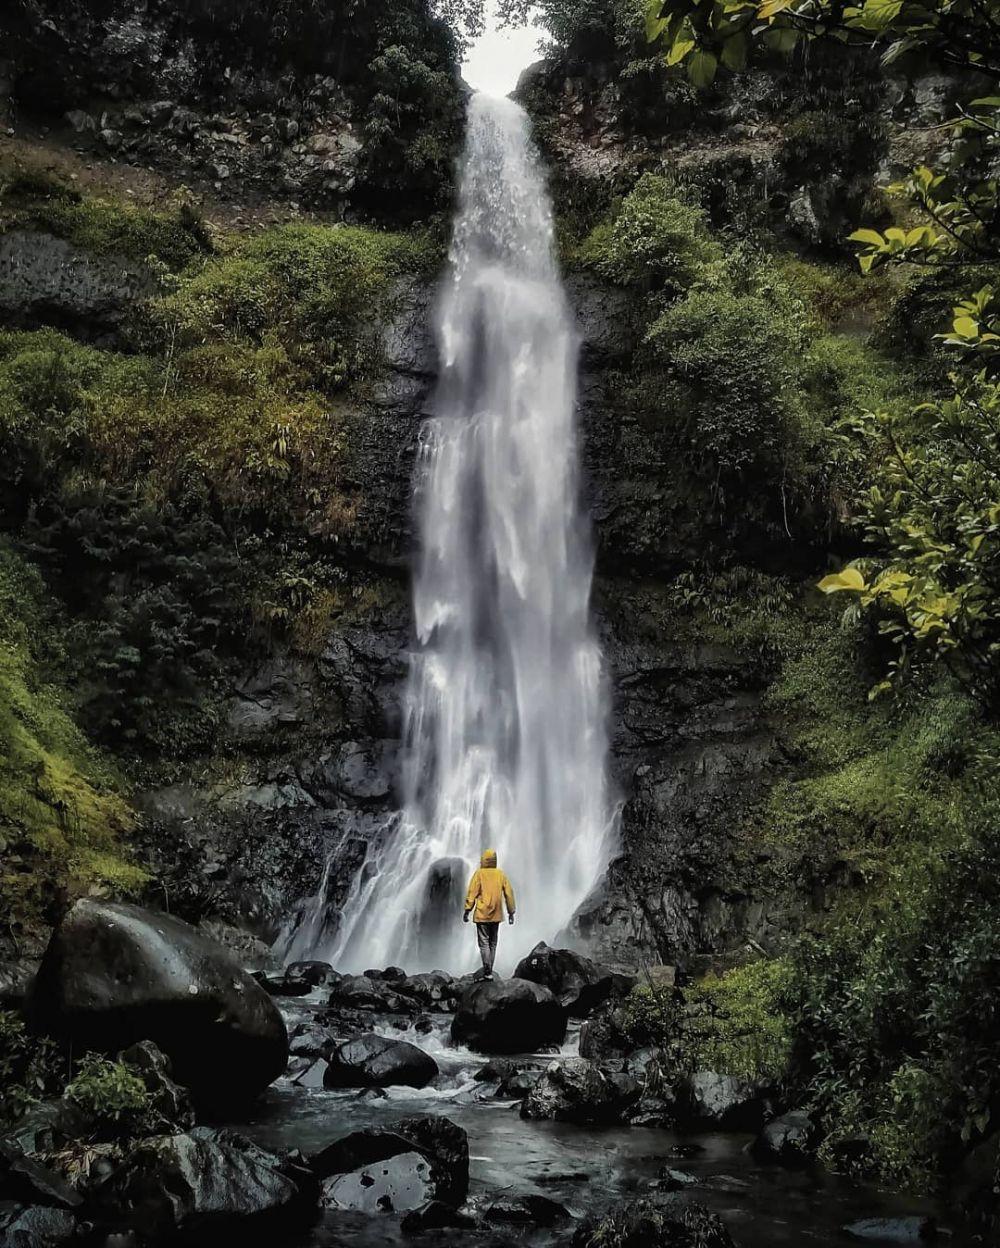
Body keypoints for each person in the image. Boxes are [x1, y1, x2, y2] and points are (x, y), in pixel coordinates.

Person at [463, 848, 515, 980]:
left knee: (484, 943)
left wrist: (467, 910)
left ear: (483, 860)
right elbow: (509, 894)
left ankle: (487, 973)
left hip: (481, 913)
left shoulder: (479, 874)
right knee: (492, 943)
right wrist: (511, 912)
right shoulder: (500, 874)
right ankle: (490, 970)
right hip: (496, 914)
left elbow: (472, 893)